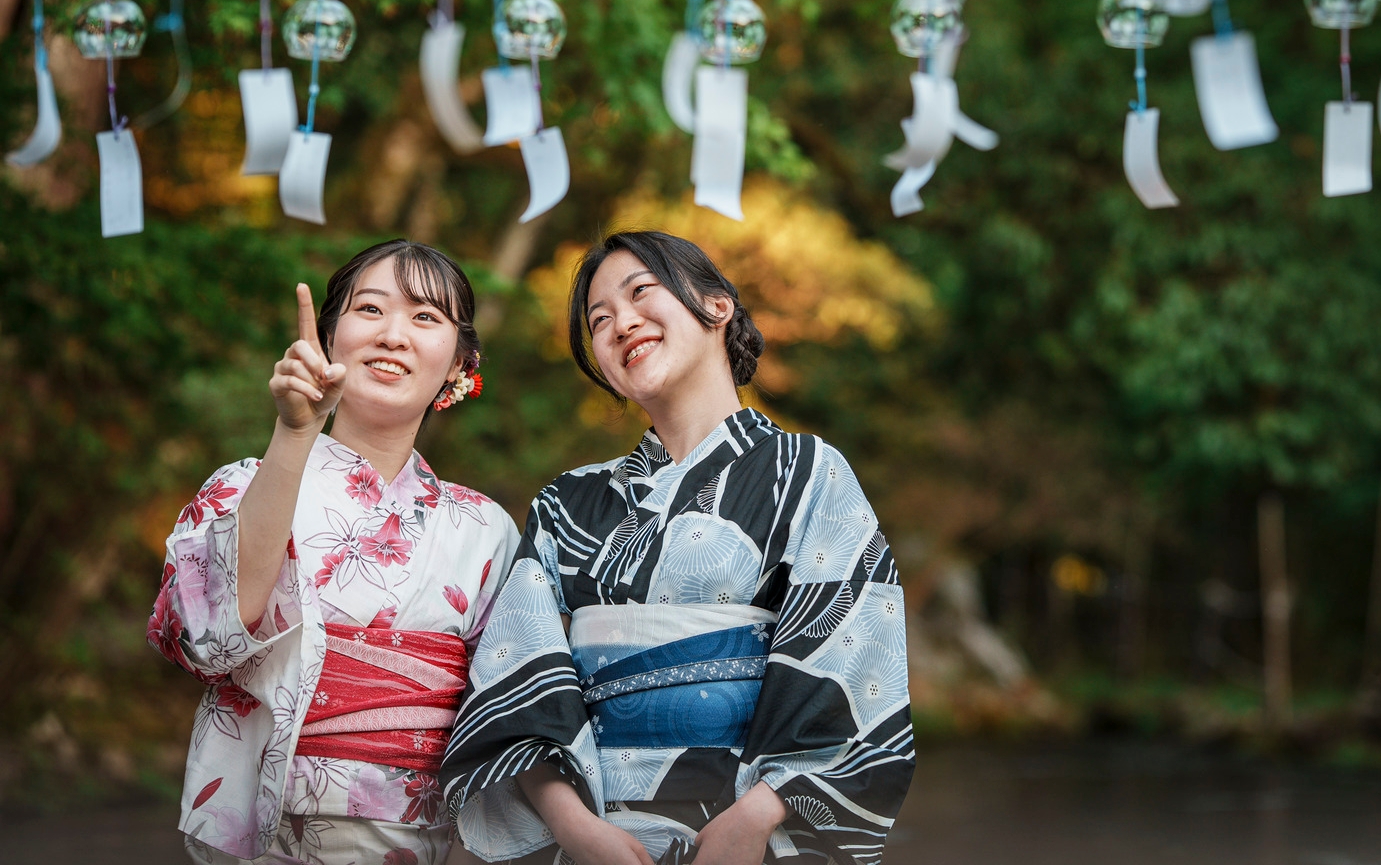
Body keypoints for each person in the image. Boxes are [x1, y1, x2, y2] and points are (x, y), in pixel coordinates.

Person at [441, 231, 914, 865]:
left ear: (717, 306)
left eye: (641, 292)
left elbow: (857, 666)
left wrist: (758, 815)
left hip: (754, 835)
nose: (621, 324)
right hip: (599, 839)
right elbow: (516, 681)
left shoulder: (808, 473)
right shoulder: (566, 504)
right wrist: (576, 827)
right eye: (599, 320)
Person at [148, 240, 519, 865]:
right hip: (266, 834)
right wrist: (295, 433)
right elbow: (212, 643)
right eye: (370, 309)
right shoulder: (240, 487)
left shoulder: (487, 530)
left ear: (461, 361)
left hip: (418, 838)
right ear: (327, 339)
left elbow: (500, 718)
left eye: (425, 317)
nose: (393, 334)